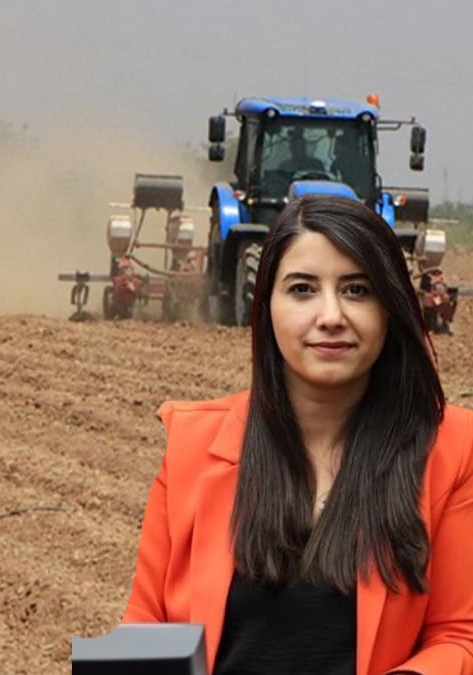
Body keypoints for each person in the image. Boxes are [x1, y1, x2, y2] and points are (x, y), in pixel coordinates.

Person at [120, 193, 473, 675]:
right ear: (266, 305)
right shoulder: (193, 445)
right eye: (303, 289)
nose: (331, 316)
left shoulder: (453, 450)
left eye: (357, 290)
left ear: (389, 310)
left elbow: (459, 637)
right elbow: (146, 625)